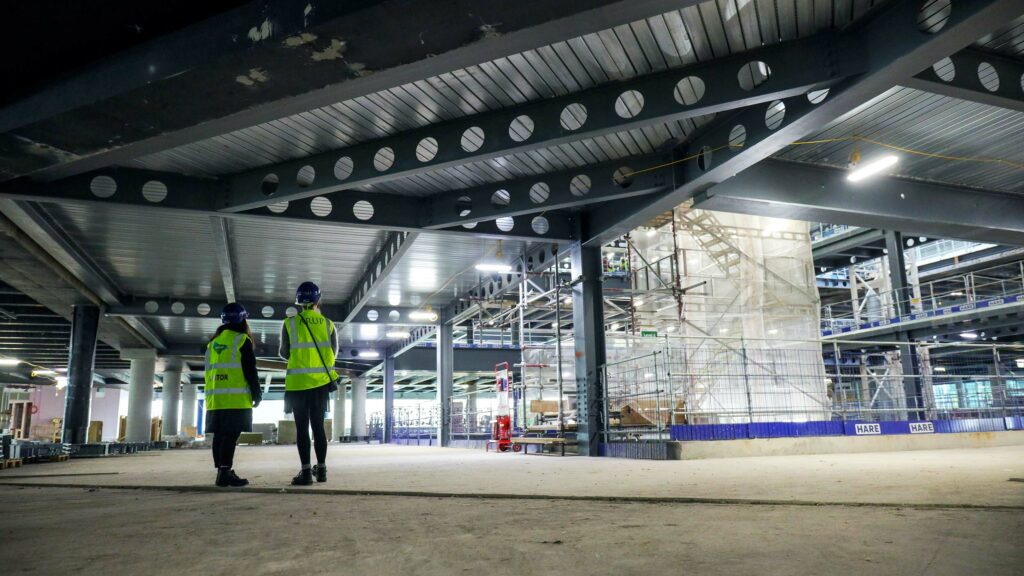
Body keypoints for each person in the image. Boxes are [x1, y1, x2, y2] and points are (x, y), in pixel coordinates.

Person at [280, 281, 338, 485]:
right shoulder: (328, 324)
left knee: (302, 428)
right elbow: (333, 353)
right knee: (318, 427)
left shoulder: (289, 323)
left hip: (297, 385)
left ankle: (305, 472)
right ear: (317, 300)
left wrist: (301, 359)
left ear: (298, 302)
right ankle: (321, 470)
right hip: (321, 384)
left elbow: (284, 353)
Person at [204, 302, 262, 487]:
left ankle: (222, 471)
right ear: (242, 320)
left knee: (220, 436)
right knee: (230, 436)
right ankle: (225, 472)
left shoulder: (212, 343)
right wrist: (257, 393)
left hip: (215, 399)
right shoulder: (241, 340)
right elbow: (250, 370)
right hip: (235, 399)